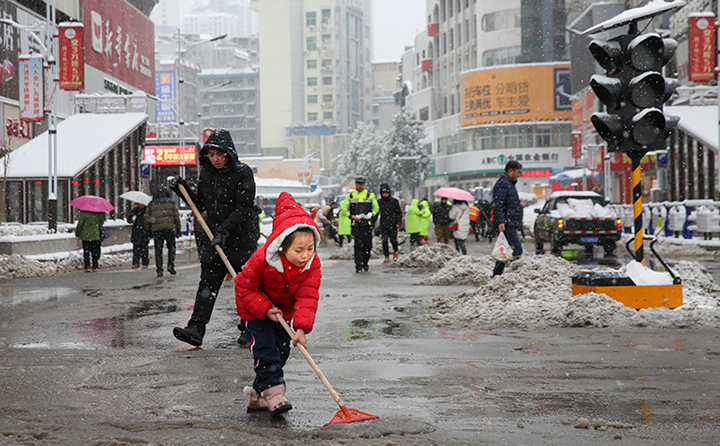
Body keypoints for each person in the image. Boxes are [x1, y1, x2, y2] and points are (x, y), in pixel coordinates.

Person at [169, 129, 259, 347]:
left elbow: (244, 208)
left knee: (246, 286)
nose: (216, 159)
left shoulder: (243, 172)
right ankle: (196, 328)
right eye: (211, 154)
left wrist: (225, 231)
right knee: (207, 286)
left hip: (241, 239)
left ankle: (249, 328)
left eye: (220, 154)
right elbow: (200, 205)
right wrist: (183, 191)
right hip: (214, 238)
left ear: (229, 153)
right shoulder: (207, 173)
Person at [235, 192, 322, 416]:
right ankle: (275, 396)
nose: (305, 256)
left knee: (282, 353)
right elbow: (244, 286)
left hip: (284, 313)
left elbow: (307, 296)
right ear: (282, 246)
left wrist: (301, 328)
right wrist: (265, 308)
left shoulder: (311, 265)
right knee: (266, 352)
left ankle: (257, 396)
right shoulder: (263, 258)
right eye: (299, 250)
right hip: (256, 310)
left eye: (310, 248)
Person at [340, 175, 379, 273]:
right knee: (358, 245)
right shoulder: (351, 195)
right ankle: (358, 265)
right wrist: (351, 216)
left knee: (368, 245)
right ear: (355, 184)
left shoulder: (370, 195)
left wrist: (371, 214)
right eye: (358, 184)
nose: (360, 186)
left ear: (364, 184)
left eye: (362, 184)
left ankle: (365, 262)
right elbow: (344, 209)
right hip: (356, 224)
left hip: (367, 224)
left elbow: (376, 208)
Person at [491, 160, 524, 277]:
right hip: (506, 222)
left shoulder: (509, 184)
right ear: (510, 171)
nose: (518, 175)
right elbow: (498, 204)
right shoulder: (503, 184)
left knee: (505, 251)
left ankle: (497, 275)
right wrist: (501, 221)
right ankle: (514, 275)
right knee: (517, 250)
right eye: (518, 172)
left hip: (509, 222)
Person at [145, 185, 181, 278]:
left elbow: (148, 218)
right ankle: (170, 265)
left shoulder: (151, 204)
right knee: (171, 247)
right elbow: (176, 216)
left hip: (157, 230)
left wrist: (148, 230)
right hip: (169, 228)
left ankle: (159, 269)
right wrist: (178, 228)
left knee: (158, 250)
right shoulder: (171, 203)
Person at [377, 183, 402, 262]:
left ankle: (395, 251)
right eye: (383, 193)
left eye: (386, 193)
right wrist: (372, 222)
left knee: (393, 240)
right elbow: (376, 212)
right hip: (383, 224)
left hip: (393, 224)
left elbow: (399, 213)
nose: (385, 195)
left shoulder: (394, 201)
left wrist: (398, 222)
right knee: (384, 241)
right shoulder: (379, 202)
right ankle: (386, 256)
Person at [126, 203, 149, 269]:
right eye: (139, 203)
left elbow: (150, 220)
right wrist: (132, 218)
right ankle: (136, 263)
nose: (140, 205)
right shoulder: (134, 211)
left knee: (144, 248)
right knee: (136, 249)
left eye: (141, 204)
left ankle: (145, 263)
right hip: (136, 232)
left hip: (144, 232)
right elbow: (129, 220)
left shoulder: (147, 211)